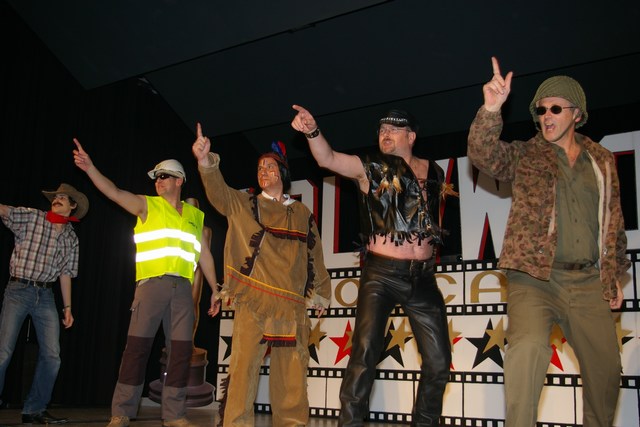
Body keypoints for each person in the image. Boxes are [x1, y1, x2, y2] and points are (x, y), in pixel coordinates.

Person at [467, 57, 630, 427]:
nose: (546, 116)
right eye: (540, 110)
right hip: (534, 279)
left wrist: (614, 276)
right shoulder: (527, 154)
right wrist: (491, 109)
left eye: (555, 109)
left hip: (588, 282)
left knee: (607, 370)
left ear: (577, 114)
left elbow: (613, 221)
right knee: (526, 352)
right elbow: (483, 154)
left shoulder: (602, 160)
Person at [291, 105, 454, 426]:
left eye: (393, 129)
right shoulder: (371, 167)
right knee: (364, 355)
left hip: (423, 277)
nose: (385, 134)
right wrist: (312, 131)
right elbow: (328, 159)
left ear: (411, 136)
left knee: (439, 362)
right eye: (381, 130)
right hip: (382, 275)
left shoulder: (434, 171)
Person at [72, 139, 220, 427]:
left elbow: (205, 255)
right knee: (137, 350)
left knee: (181, 353)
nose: (158, 181)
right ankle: (121, 412)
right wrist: (90, 169)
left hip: (183, 291)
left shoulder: (195, 216)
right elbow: (114, 192)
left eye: (164, 176)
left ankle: (174, 414)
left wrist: (215, 289)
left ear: (179, 180)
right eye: (156, 177)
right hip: (151, 287)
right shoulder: (147, 205)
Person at [192, 124, 331, 427]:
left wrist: (322, 291)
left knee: (291, 376)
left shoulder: (302, 213)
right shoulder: (244, 204)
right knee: (242, 370)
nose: (263, 172)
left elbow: (315, 253)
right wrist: (205, 162)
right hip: (253, 300)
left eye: (269, 166)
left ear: (282, 172)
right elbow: (219, 193)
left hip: (291, 305)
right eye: (259, 168)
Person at [0, 183, 89, 425]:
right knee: (3, 351)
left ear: (73, 206)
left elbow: (66, 274)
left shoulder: (71, 237)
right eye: (55, 197)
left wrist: (68, 308)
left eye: (63, 198)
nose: (57, 199)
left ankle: (34, 409)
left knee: (52, 355)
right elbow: (5, 210)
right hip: (18, 290)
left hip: (46, 295)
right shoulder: (33, 217)